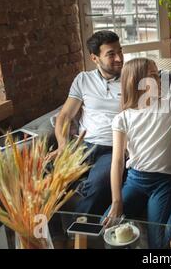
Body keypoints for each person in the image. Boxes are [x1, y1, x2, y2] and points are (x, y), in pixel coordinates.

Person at [103, 58, 171, 248]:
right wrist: (117, 201)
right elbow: (117, 163)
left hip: (163, 183)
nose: (159, 78)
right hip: (135, 181)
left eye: (158, 74)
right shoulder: (122, 118)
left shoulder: (169, 105)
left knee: (160, 245)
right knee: (106, 230)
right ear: (136, 81)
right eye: (153, 75)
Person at [50, 30, 124, 215]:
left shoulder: (131, 79)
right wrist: (62, 145)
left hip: (113, 148)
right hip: (83, 146)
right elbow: (65, 115)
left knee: (97, 184)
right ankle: (46, 236)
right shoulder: (83, 80)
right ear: (95, 58)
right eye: (111, 54)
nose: (119, 58)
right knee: (45, 175)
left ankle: (76, 236)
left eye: (120, 51)